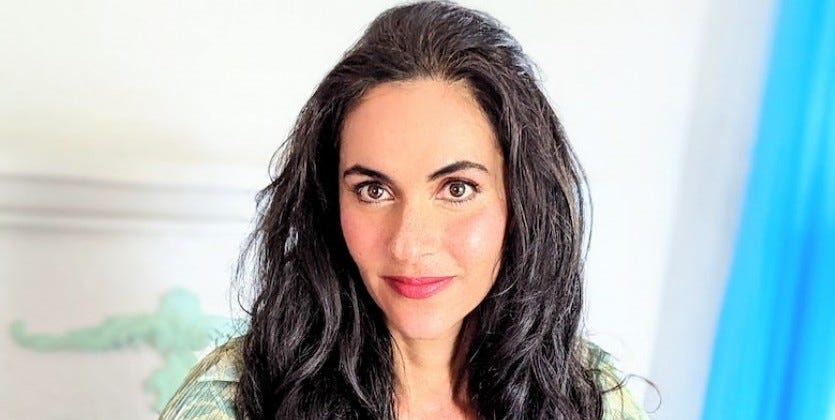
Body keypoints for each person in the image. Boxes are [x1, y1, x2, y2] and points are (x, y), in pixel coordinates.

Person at [160, 1, 650, 419]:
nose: (409, 246)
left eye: (457, 188)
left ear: (522, 201)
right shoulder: (234, 400)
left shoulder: (592, 398)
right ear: (330, 203)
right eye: (374, 190)